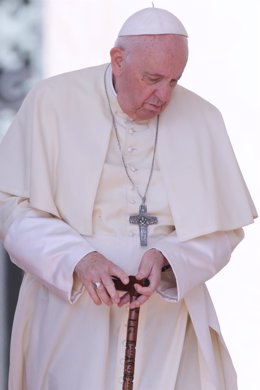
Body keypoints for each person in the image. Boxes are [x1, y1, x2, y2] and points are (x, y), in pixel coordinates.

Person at [0, 7, 257, 390]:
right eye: (152, 79)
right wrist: (79, 259)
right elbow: (11, 207)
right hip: (72, 317)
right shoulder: (51, 103)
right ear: (118, 60)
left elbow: (223, 229)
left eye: (174, 80)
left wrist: (170, 258)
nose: (164, 96)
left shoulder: (202, 117)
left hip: (166, 326)